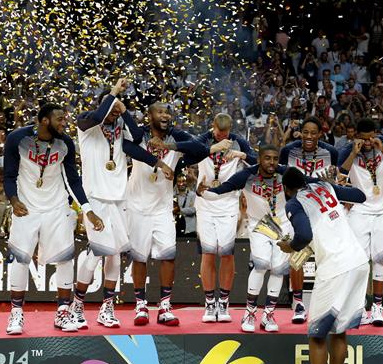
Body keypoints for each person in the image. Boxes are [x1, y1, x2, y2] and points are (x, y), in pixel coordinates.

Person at [3, 103, 105, 335]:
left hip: (57, 207)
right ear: (45, 121)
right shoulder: (16, 139)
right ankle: (16, 313)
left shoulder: (65, 143)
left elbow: (73, 180)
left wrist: (87, 209)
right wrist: (13, 199)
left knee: (65, 259)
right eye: (60, 119)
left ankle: (63, 312)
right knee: (20, 259)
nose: (64, 123)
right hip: (26, 208)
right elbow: (9, 175)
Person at [278, 167, 369, 364]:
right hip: (359, 262)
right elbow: (360, 196)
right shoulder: (326, 188)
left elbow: (303, 235)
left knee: (317, 335)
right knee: (339, 330)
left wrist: (290, 246)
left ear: (286, 189)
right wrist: (329, 185)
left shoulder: (295, 203)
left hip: (336, 268)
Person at [72, 78, 158, 329]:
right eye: (110, 109)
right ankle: (77, 306)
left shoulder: (120, 127)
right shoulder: (86, 124)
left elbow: (140, 135)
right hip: (95, 197)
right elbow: (99, 114)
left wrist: (125, 111)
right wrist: (113, 93)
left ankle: (106, 308)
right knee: (99, 251)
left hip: (120, 198)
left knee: (116, 255)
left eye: (115, 111)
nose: (112, 114)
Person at [125, 102, 208, 327]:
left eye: (167, 112)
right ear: (148, 115)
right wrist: (158, 161)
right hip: (137, 207)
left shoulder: (175, 136)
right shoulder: (138, 134)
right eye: (159, 111)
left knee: (168, 255)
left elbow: (202, 150)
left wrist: (170, 146)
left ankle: (164, 307)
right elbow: (126, 147)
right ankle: (140, 305)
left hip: (162, 208)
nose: (165, 115)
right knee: (140, 257)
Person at [199, 144, 290, 332]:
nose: (271, 162)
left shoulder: (287, 174)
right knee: (261, 264)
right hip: (259, 224)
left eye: (275, 158)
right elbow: (223, 189)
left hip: (283, 224)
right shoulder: (246, 175)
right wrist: (203, 192)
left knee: (279, 269)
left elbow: (307, 182)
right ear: (258, 160)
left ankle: (268, 316)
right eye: (267, 158)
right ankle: (249, 313)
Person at [338, 118, 383, 327]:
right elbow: (340, 177)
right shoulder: (348, 149)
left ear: (375, 133)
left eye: (370, 137)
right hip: (359, 210)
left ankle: (377, 308)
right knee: (358, 260)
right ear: (356, 135)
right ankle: (358, 307)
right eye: (363, 138)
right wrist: (353, 154)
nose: (367, 142)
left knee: (380, 259)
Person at [194, 113, 257, 322]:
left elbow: (259, 162)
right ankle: (210, 303)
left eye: (226, 134)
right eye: (219, 134)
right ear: (212, 126)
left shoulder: (239, 141)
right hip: (205, 202)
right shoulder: (202, 139)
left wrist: (241, 155)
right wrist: (211, 149)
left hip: (229, 203)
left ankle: (224, 301)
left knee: (227, 254)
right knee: (208, 253)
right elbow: (189, 153)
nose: (222, 137)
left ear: (230, 129)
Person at [279, 116, 339, 323]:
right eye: (306, 132)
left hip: (321, 210)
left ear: (320, 134)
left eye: (314, 133)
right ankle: (298, 304)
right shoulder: (289, 151)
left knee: (326, 258)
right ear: (300, 132)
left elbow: (334, 182)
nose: (309, 136)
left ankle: (327, 303)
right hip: (297, 209)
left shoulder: (330, 152)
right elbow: (283, 179)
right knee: (298, 257)